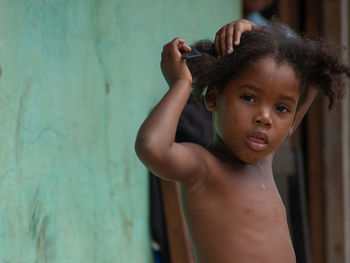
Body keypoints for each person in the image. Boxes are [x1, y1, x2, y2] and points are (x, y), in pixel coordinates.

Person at [136, 19, 350, 263]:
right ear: (213, 99)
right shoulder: (204, 168)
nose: (265, 118)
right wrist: (181, 84)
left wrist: (258, 32)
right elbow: (152, 147)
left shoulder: (263, 163)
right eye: (249, 98)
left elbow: (311, 74)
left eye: (281, 107)